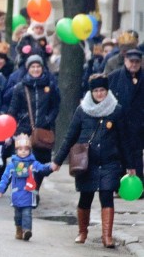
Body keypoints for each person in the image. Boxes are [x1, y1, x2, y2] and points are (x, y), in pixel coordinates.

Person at [51, 74, 135, 248]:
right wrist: (58, 160)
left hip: (110, 162)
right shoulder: (82, 110)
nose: (99, 94)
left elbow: (124, 139)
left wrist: (130, 165)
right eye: (96, 90)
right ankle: (82, 232)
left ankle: (107, 236)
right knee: (85, 197)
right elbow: (69, 137)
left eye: (102, 90)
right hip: (86, 162)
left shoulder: (116, 110)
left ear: (107, 91)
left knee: (106, 196)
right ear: (91, 92)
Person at [7, 55, 59, 195]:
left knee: (41, 163)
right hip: (24, 130)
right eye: (32, 67)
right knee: (22, 161)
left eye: (38, 67)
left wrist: (48, 119)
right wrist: (11, 129)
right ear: (28, 68)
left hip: (43, 131)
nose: (36, 69)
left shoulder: (50, 86)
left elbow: (55, 106)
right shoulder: (20, 88)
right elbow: (13, 109)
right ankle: (22, 189)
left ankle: (35, 188)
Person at [0, 134, 53, 241]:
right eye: (20, 149)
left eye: (26, 149)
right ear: (16, 150)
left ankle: (27, 230)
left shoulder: (33, 164)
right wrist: (1, 189)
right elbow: (5, 178)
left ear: (30, 150)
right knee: (18, 215)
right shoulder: (12, 165)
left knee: (27, 213)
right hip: (16, 195)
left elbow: (42, 169)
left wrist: (50, 167)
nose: (23, 151)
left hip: (29, 193)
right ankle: (19, 229)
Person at [107, 46, 143, 181]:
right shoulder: (114, 77)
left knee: (136, 155)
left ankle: (138, 186)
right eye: (131, 61)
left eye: (137, 62)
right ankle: (118, 184)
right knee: (118, 154)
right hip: (118, 124)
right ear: (126, 61)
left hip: (138, 125)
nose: (134, 64)